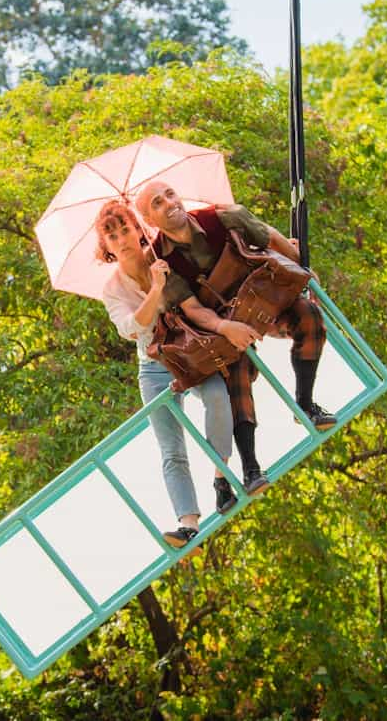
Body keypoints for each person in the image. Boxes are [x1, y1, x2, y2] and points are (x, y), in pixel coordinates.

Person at [134, 181, 336, 498]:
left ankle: (306, 404)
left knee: (308, 317)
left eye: (171, 193)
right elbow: (193, 310)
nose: (169, 203)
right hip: (223, 322)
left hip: (262, 297)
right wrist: (226, 328)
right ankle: (250, 469)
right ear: (149, 219)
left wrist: (302, 268)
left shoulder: (224, 217)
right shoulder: (159, 262)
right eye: (157, 203)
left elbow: (270, 238)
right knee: (234, 374)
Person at [96, 200, 252, 553]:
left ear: (138, 229)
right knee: (171, 448)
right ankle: (188, 526)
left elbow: (193, 302)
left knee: (218, 398)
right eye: (112, 236)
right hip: (153, 367)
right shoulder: (112, 288)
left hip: (189, 354)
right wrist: (154, 290)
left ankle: (220, 477)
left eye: (125, 230)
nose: (121, 240)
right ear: (104, 245)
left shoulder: (162, 258)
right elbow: (132, 328)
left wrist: (166, 278)